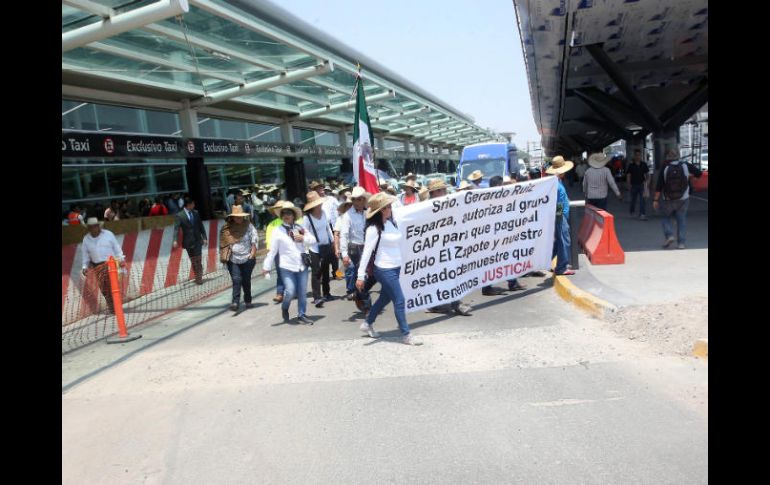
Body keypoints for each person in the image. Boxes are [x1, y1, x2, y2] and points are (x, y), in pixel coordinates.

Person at [356, 192, 422, 345]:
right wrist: (360, 276)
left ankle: (367, 324)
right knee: (399, 300)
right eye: (387, 207)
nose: (390, 208)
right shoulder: (373, 229)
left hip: (395, 268)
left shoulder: (390, 223)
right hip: (384, 269)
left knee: (384, 299)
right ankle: (406, 334)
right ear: (380, 210)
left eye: (389, 206)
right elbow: (366, 253)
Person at [262, 202, 315, 324]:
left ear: (293, 215)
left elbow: (312, 240)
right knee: (290, 291)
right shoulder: (277, 231)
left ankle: (301, 314)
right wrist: (266, 266)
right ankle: (285, 306)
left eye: (289, 213)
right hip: (286, 266)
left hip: (301, 265)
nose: (286, 215)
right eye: (284, 213)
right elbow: (273, 251)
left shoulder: (300, 228)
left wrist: (303, 239)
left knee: (302, 292)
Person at [425, 179, 472, 316]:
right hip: (434, 248)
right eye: (442, 190)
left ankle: (448, 303)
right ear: (434, 193)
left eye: (444, 190)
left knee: (451, 274)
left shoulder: (448, 204)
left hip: (448, 245)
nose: (445, 192)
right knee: (442, 276)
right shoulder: (426, 208)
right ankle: (449, 304)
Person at [81, 217, 126, 314]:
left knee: (113, 287)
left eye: (96, 226)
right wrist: (84, 267)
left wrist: (121, 259)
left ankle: (117, 307)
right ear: (89, 228)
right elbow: (85, 255)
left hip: (112, 264)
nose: (94, 228)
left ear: (98, 226)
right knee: (104, 289)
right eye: (92, 227)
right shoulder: (86, 240)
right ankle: (112, 308)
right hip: (97, 267)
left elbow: (117, 248)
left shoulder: (108, 234)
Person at [653, 149, 695, 249]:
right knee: (681, 219)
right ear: (678, 156)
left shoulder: (665, 167)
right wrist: (689, 177)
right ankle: (681, 243)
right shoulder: (685, 165)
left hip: (668, 199)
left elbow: (659, 185)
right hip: (683, 198)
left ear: (668, 157)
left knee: (665, 216)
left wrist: (655, 200)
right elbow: (698, 173)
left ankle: (669, 235)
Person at [219, 205, 259, 312]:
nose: (238, 219)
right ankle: (235, 302)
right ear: (232, 217)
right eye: (236, 217)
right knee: (236, 280)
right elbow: (223, 242)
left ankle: (248, 300)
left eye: (240, 216)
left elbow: (254, 238)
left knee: (246, 280)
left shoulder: (249, 225)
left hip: (247, 257)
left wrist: (253, 253)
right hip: (233, 259)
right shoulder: (226, 228)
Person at [303, 191, 335, 307]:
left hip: (326, 245)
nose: (320, 205)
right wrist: (306, 251)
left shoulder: (324, 213)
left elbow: (328, 228)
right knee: (317, 273)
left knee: (326, 270)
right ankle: (317, 297)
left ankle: (327, 293)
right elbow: (304, 235)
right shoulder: (307, 218)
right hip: (314, 248)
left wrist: (332, 241)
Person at [339, 187, 369, 303]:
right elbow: (344, 235)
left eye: (359, 199)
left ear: (363, 200)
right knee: (358, 274)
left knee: (365, 276)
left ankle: (359, 296)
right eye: (355, 200)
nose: (357, 202)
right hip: (354, 249)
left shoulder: (368, 212)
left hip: (367, 247)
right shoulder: (347, 216)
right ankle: (362, 300)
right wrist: (344, 254)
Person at [547, 156, 576, 276]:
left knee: (558, 242)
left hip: (560, 215)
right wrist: (559, 219)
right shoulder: (557, 184)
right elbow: (558, 203)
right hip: (560, 215)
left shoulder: (557, 182)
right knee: (564, 241)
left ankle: (546, 262)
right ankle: (561, 267)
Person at [172, 197, 208, 284]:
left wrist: (205, 237)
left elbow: (201, 226)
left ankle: (199, 277)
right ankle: (197, 275)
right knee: (193, 260)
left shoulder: (196, 213)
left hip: (197, 240)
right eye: (193, 204)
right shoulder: (180, 215)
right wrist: (175, 240)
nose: (194, 205)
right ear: (188, 205)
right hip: (188, 242)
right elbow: (176, 229)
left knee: (198, 259)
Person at [265, 200, 289, 303]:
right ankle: (280, 293)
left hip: (290, 251)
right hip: (278, 252)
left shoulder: (291, 221)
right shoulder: (272, 224)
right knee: (280, 272)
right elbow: (269, 239)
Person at [626, 149, 650, 220]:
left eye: (639, 155)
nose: (638, 156)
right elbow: (628, 175)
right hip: (633, 185)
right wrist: (629, 184)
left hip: (642, 185)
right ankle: (632, 211)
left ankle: (642, 214)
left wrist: (647, 181)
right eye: (636, 155)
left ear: (641, 156)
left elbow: (647, 174)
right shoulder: (631, 165)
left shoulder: (644, 164)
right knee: (633, 200)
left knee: (642, 200)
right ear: (634, 156)